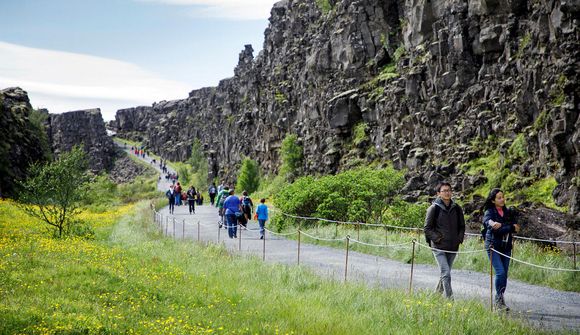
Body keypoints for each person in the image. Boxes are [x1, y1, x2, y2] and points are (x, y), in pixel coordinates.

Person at [424, 182, 465, 299]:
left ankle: (435, 296)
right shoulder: (433, 208)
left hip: (453, 247)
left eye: (449, 190)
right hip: (438, 247)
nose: (447, 193)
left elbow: (462, 226)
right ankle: (450, 300)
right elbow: (427, 228)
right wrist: (438, 238)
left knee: (444, 274)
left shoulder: (457, 208)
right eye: (444, 191)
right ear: (438, 193)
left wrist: (459, 239)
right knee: (446, 273)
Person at [483, 188, 520, 311]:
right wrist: (508, 227)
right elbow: (491, 225)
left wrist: (508, 227)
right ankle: (498, 301)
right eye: (499, 198)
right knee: (500, 273)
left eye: (503, 197)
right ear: (493, 200)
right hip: (493, 247)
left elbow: (516, 227)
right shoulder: (490, 212)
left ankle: (500, 299)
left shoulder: (508, 212)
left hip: (506, 247)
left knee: (505, 275)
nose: (502, 199)